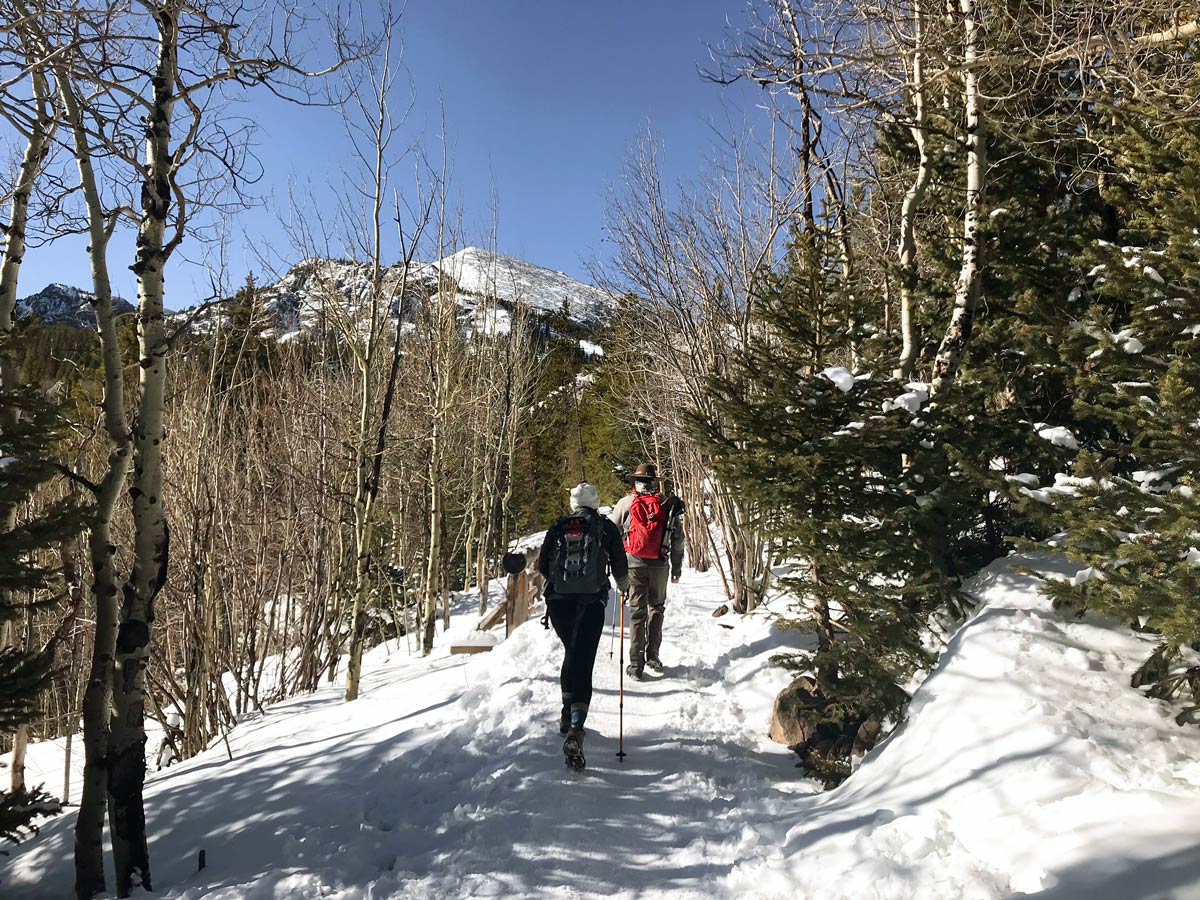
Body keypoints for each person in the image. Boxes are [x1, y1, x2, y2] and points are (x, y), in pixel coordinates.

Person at [538, 481, 628, 769]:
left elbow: (542, 566)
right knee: (583, 660)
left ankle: (566, 714)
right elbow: (620, 564)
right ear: (596, 501)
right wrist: (623, 587)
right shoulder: (604, 526)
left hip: (559, 603)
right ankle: (576, 728)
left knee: (571, 654)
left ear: (573, 503)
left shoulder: (558, 527)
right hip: (590, 602)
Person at [608, 463, 685, 680]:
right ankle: (653, 655)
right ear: (654, 482)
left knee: (637, 613)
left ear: (636, 481)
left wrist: (616, 564)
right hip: (660, 564)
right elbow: (677, 539)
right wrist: (677, 568)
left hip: (634, 564)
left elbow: (613, 535)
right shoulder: (666, 504)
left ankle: (635, 664)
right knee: (656, 608)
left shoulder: (625, 503)